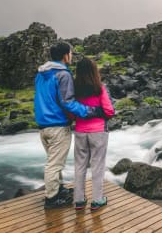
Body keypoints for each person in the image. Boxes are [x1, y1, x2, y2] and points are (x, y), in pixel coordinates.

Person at [34, 42, 103, 209]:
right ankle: (51, 199)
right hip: (57, 125)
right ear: (65, 55)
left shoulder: (40, 74)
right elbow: (68, 103)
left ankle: (58, 190)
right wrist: (92, 111)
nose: (71, 56)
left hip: (43, 125)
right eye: (71, 53)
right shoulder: (63, 75)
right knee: (55, 164)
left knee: (54, 160)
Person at [73, 57, 114, 211]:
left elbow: (71, 110)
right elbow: (109, 111)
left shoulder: (75, 89)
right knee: (97, 166)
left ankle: (79, 200)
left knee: (79, 166)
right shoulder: (99, 88)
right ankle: (97, 200)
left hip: (80, 132)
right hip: (98, 132)